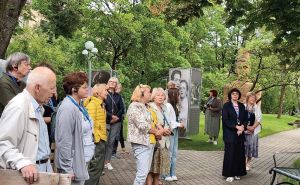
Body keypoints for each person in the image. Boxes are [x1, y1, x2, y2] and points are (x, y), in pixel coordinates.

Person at [0, 66, 56, 184]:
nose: (54, 92)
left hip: (41, 172)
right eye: (51, 88)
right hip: (27, 178)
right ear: (37, 88)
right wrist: (22, 163)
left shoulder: (37, 107)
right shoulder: (18, 106)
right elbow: (3, 143)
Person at [55, 72, 95, 185]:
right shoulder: (68, 108)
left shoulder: (78, 105)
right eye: (84, 87)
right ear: (73, 89)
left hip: (80, 161)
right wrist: (68, 169)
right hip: (72, 167)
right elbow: (64, 141)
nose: (88, 89)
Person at [127, 84, 163, 185]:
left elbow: (150, 123)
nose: (151, 94)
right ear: (141, 94)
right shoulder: (134, 106)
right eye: (149, 92)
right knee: (142, 174)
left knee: (144, 172)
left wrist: (158, 131)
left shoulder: (144, 106)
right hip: (141, 144)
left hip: (148, 143)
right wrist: (158, 131)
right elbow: (142, 125)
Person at [84, 84, 109, 185]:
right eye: (105, 90)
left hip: (101, 140)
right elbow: (89, 125)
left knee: (98, 168)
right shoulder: (92, 105)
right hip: (96, 141)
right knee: (94, 169)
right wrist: (95, 139)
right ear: (97, 92)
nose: (107, 92)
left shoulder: (100, 104)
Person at [147, 88, 172, 185]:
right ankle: (149, 183)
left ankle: (156, 182)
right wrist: (161, 131)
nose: (161, 97)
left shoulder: (165, 107)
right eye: (158, 95)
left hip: (165, 140)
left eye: (162, 95)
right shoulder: (150, 107)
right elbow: (150, 124)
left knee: (159, 166)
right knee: (151, 166)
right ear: (153, 96)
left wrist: (168, 130)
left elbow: (168, 122)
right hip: (155, 139)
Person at [222, 88, 247, 182]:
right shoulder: (226, 106)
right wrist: (237, 127)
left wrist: (242, 128)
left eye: (236, 94)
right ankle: (229, 174)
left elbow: (245, 119)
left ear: (239, 95)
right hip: (230, 133)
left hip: (240, 133)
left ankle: (237, 173)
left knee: (239, 154)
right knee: (230, 153)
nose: (235, 95)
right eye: (233, 94)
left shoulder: (241, 106)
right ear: (230, 95)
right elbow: (225, 120)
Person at [0, 52, 31, 116]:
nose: (30, 67)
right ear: (15, 66)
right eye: (26, 64)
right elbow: (14, 109)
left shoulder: (22, 84)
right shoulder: (3, 83)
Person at [104, 77, 124, 170]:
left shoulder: (118, 96)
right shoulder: (104, 93)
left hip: (116, 122)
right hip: (106, 121)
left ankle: (108, 162)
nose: (112, 83)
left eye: (114, 82)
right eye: (110, 81)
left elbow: (122, 108)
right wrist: (111, 116)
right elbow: (103, 108)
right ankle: (102, 162)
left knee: (111, 142)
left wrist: (116, 118)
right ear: (108, 83)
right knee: (104, 142)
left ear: (116, 85)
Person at [164, 88, 184, 182]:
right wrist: (179, 124)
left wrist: (178, 123)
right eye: (178, 94)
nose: (179, 97)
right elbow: (169, 121)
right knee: (169, 153)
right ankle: (166, 173)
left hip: (175, 131)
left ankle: (172, 173)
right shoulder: (168, 106)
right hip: (171, 131)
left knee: (174, 153)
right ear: (174, 95)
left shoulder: (175, 106)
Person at [244, 92, 262, 171]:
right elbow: (240, 118)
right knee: (244, 147)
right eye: (251, 97)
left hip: (253, 131)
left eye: (254, 98)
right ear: (248, 98)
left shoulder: (257, 107)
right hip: (244, 130)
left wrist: (253, 128)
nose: (253, 99)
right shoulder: (243, 106)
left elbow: (259, 119)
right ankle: (242, 163)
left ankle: (248, 162)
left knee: (251, 147)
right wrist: (247, 127)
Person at [112, 83, 127, 157]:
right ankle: (112, 152)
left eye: (120, 88)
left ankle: (115, 151)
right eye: (117, 88)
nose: (118, 89)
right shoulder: (110, 96)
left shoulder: (120, 97)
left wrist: (118, 116)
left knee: (118, 135)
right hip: (112, 119)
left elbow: (122, 108)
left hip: (119, 119)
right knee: (114, 135)